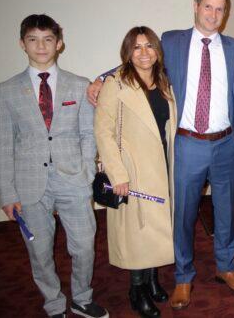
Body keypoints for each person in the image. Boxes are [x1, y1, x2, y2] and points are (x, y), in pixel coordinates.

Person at [86, 0, 234, 309]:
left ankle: (226, 267)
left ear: (225, 12)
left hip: (226, 143)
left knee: (226, 212)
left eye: (220, 9)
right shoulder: (173, 41)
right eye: (208, 7)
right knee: (182, 214)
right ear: (195, 6)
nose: (213, 14)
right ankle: (183, 277)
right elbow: (139, 59)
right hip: (188, 144)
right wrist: (102, 78)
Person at [0, 14, 108, 318]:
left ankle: (82, 299)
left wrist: (86, 172)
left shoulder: (79, 85)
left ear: (59, 43)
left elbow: (88, 133)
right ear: (23, 43)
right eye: (33, 39)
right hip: (28, 183)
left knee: (84, 245)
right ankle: (54, 304)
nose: (41, 46)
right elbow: (3, 145)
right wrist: (7, 193)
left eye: (47, 39)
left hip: (74, 179)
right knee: (40, 250)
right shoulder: (6, 90)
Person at [94, 26, 176, 318]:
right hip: (132, 170)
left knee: (154, 229)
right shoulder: (116, 83)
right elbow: (103, 132)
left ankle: (153, 280)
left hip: (162, 167)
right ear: (127, 52)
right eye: (137, 47)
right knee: (137, 232)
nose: (144, 53)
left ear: (157, 51)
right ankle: (136, 289)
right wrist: (117, 174)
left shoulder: (164, 81)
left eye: (149, 46)